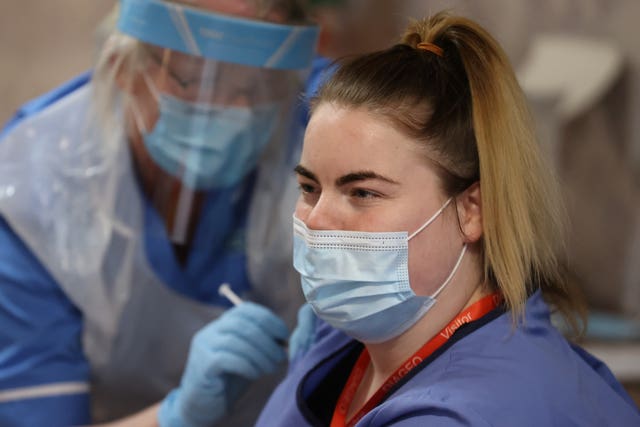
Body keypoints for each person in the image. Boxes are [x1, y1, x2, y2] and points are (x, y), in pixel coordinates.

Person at [254, 10, 640, 426]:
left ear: (473, 209)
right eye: (310, 188)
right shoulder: (356, 342)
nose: (318, 220)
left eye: (363, 193)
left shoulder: (466, 412)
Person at [0, 0, 319, 426]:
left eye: (252, 88)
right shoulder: (37, 192)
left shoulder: (318, 114)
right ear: (122, 67)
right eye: (193, 80)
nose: (229, 109)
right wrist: (177, 415)